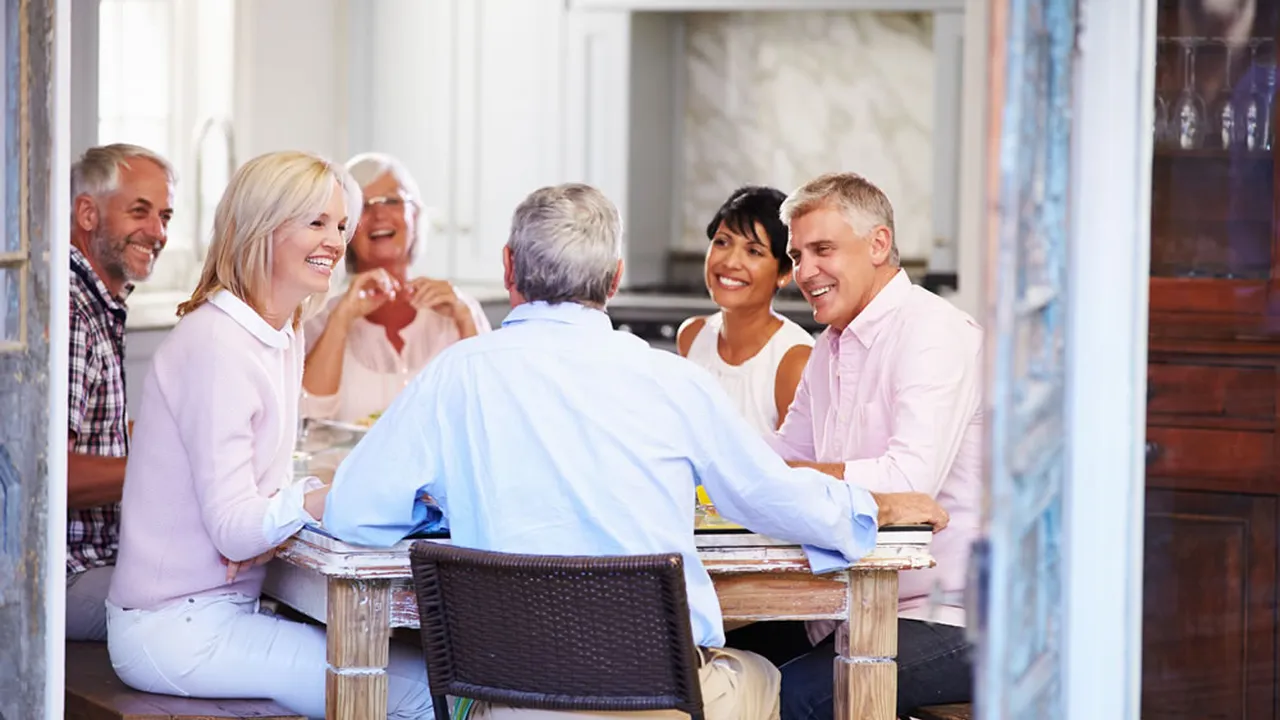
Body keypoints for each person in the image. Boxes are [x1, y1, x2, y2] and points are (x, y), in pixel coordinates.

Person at [322, 182, 951, 720]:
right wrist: (867, 507)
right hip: (657, 705)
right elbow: (773, 498)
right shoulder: (671, 380)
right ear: (615, 278)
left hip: (504, 702)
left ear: (509, 268)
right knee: (763, 677)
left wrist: (440, 512)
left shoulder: (453, 375)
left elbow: (352, 514)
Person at [105, 151, 433, 718]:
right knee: (419, 692)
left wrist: (269, 520)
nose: (336, 240)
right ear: (263, 228)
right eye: (316, 223)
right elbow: (235, 530)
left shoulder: (282, 333)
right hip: (174, 629)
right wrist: (326, 497)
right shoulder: (218, 343)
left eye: (339, 225)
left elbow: (249, 510)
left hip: (222, 609)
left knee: (431, 674)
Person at [766, 172, 981, 718]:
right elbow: (776, 463)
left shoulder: (934, 332)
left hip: (949, 617)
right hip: (845, 610)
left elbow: (908, 483)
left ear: (879, 244)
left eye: (822, 249)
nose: (803, 272)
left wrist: (797, 474)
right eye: (796, 255)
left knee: (789, 698)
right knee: (717, 662)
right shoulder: (827, 348)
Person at [66, 143, 175, 641]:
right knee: (226, 598)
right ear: (87, 213)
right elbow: (48, 476)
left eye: (165, 216)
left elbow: (100, 439)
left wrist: (179, 437)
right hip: (62, 576)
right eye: (140, 212)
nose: (158, 233)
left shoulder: (98, 301)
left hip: (97, 560)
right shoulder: (68, 311)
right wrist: (172, 469)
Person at [302, 151, 490, 424]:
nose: (379, 214)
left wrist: (464, 318)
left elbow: (489, 410)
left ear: (415, 215)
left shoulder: (460, 310)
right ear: (345, 227)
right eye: (363, 205)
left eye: (392, 201)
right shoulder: (319, 318)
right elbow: (307, 416)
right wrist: (341, 320)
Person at [677, 186, 814, 434]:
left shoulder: (795, 362)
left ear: (785, 273)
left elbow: (792, 470)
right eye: (722, 242)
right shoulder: (692, 335)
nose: (730, 262)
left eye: (753, 251)